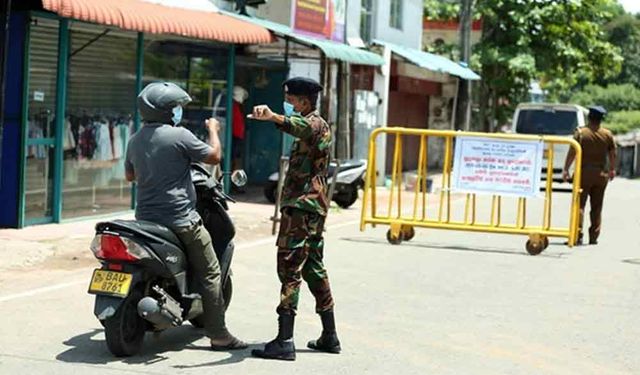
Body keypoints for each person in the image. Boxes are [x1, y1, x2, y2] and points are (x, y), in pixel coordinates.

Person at [125, 82, 247, 350]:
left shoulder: (135, 139)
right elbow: (214, 156)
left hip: (145, 220)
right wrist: (213, 131)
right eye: (176, 107)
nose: (179, 111)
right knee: (211, 271)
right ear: (168, 111)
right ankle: (219, 334)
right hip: (180, 220)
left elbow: (130, 176)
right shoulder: (179, 135)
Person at [249, 77, 340, 361]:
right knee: (313, 266)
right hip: (311, 207)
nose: (289, 106)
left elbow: (299, 127)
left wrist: (274, 117)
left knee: (289, 267)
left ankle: (284, 340)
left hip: (302, 207)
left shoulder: (315, 123)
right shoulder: (312, 124)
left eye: (292, 101)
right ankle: (330, 335)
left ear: (303, 101)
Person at [563, 105, 616, 246]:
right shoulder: (607, 134)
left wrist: (566, 169)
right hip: (601, 174)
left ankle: (577, 235)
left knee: (579, 205)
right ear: (601, 119)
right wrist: (612, 169)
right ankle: (593, 237)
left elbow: (572, 152)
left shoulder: (580, 133)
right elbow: (612, 154)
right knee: (597, 207)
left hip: (583, 174)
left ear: (589, 117)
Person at [232, 86, 248, 172]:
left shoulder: (237, 106)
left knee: (236, 157)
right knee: (233, 157)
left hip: (237, 135)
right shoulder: (233, 106)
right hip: (234, 135)